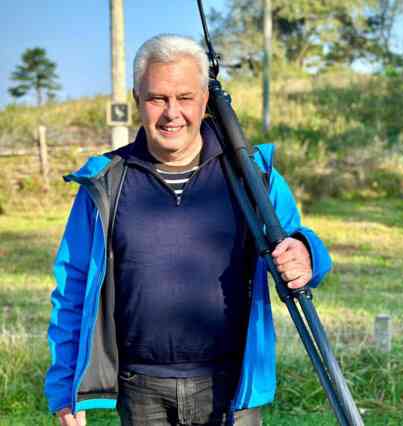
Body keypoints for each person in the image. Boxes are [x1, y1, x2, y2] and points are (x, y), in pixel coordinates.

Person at [44, 34, 331, 426]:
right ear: (136, 99)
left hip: (233, 389)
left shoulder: (253, 175)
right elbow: (72, 288)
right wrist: (65, 389)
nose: (171, 113)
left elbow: (300, 241)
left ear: (205, 100)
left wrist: (307, 254)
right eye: (157, 98)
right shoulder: (104, 183)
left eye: (184, 97)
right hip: (140, 387)